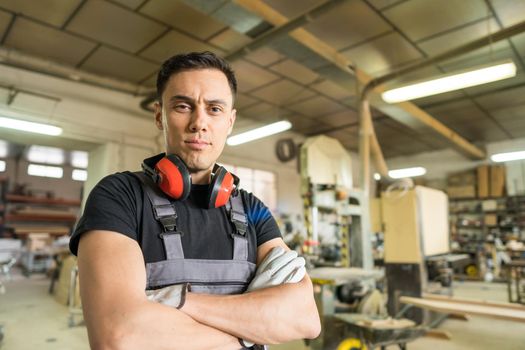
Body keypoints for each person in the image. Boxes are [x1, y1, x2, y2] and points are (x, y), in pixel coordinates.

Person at [69, 51, 321, 349]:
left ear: (230, 120)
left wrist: (178, 301)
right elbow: (119, 339)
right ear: (159, 115)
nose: (199, 122)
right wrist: (252, 330)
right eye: (183, 106)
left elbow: (305, 319)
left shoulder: (252, 210)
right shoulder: (120, 196)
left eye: (214, 109)